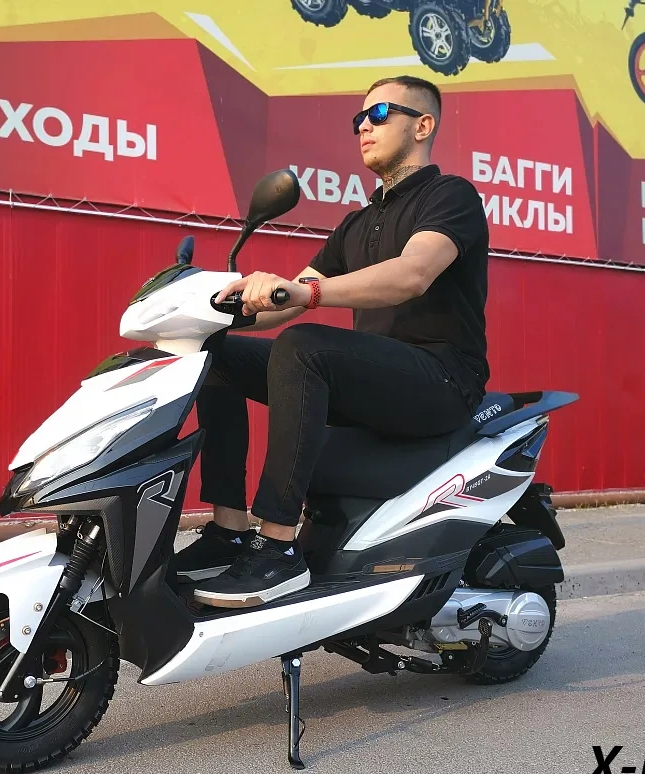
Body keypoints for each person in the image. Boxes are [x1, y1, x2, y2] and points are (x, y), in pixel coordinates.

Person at [175, 74, 490, 608]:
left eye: (379, 114)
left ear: (422, 126)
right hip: (378, 381)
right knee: (218, 356)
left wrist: (304, 292)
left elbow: (412, 273)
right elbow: (289, 299)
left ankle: (277, 548)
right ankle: (229, 531)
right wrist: (220, 311)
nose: (364, 126)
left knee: (304, 347)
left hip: (441, 379)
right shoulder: (357, 223)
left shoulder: (450, 196)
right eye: (359, 118)